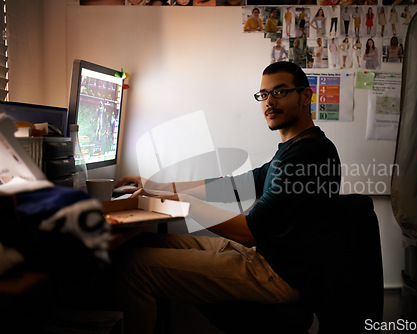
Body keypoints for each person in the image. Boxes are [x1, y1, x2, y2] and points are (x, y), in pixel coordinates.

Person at [114, 61, 341, 334]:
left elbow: (248, 232)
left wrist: (176, 202)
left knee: (134, 266)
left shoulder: (308, 155)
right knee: (146, 243)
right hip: (265, 258)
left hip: (276, 275)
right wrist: (158, 186)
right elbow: (234, 186)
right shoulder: (294, 149)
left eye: (280, 92)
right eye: (264, 95)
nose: (269, 102)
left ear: (306, 96)